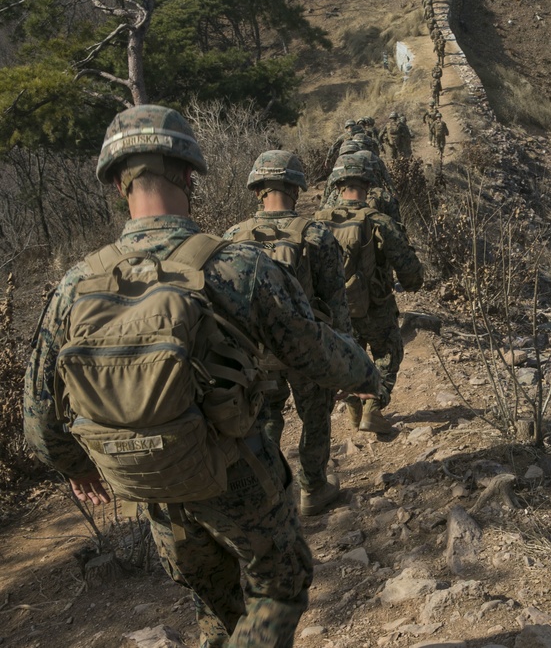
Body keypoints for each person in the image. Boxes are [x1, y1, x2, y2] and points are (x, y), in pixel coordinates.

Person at [23, 105, 382, 648]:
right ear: (188, 174)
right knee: (279, 588)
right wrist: (367, 375)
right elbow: (315, 351)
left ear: (120, 184)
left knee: (214, 598)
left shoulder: (76, 283)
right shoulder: (236, 265)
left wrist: (77, 466)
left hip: (149, 487)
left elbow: (39, 418)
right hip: (235, 473)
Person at [223, 150, 352, 517]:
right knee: (315, 416)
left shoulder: (232, 237)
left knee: (265, 419)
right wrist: (344, 357)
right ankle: (313, 487)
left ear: (258, 190)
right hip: (307, 351)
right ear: (296, 187)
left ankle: (269, 492)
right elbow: (337, 303)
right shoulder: (316, 234)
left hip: (256, 353)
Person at [315, 154, 423, 434]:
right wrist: (411, 283)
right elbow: (411, 273)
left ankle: (353, 408)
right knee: (388, 355)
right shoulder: (379, 221)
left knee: (351, 359)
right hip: (376, 306)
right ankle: (372, 409)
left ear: (338, 187)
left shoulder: (316, 224)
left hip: (335, 313)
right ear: (366, 185)